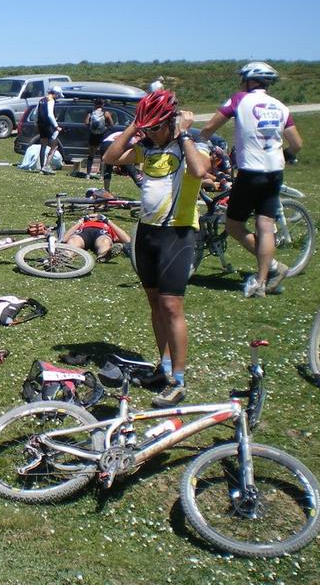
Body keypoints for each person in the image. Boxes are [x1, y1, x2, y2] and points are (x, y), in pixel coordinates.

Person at [103, 89, 210, 407]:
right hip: (147, 233)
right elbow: (110, 157)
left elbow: (199, 171)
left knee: (172, 306)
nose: (150, 133)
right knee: (155, 303)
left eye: (155, 127)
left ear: (171, 121)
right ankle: (163, 369)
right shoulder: (147, 147)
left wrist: (184, 134)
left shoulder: (191, 143)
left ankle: (178, 380)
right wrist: (135, 127)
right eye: (146, 128)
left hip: (177, 233)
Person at [199, 62, 303, 298]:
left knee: (234, 225)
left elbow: (210, 126)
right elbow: (297, 143)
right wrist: (286, 155)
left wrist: (201, 141)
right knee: (265, 226)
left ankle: (274, 266)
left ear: (250, 81)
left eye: (243, 79)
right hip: (274, 172)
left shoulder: (239, 99)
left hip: (250, 172)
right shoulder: (280, 107)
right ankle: (262, 282)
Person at [62, 213, 132, 263]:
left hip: (101, 234)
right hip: (83, 233)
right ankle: (67, 256)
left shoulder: (107, 224)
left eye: (98, 216)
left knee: (105, 241)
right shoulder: (83, 223)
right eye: (91, 216)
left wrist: (108, 221)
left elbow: (127, 240)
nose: (94, 217)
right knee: (73, 240)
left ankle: (104, 255)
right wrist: (81, 221)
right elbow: (64, 239)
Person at [84, 98, 115, 178]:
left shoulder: (91, 113)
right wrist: (105, 128)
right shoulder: (106, 113)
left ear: (95, 104)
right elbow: (112, 124)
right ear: (103, 104)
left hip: (93, 135)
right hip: (102, 135)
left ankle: (88, 174)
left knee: (91, 155)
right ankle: (101, 175)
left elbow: (86, 123)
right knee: (103, 156)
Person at [37, 86, 62, 175]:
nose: (57, 98)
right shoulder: (51, 100)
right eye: (58, 96)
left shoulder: (41, 100)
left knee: (43, 146)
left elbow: (36, 113)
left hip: (41, 125)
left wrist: (37, 124)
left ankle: (42, 168)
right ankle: (46, 166)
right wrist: (56, 126)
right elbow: (50, 115)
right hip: (49, 126)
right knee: (54, 146)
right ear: (55, 94)